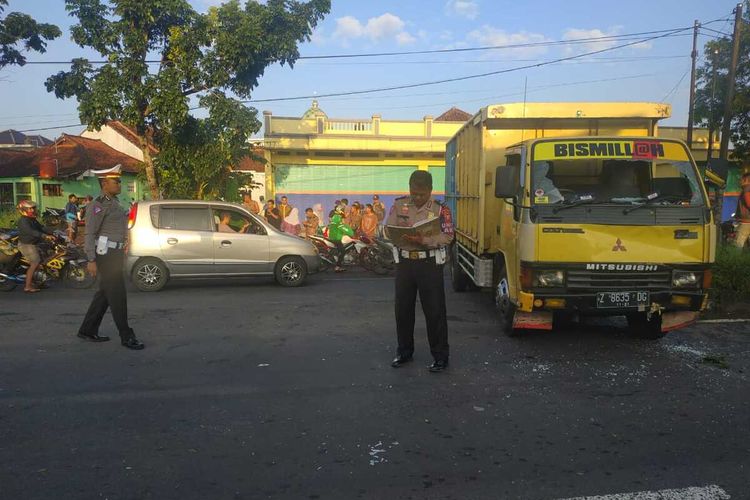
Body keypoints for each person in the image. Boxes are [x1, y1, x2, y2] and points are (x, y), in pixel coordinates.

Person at [386, 170, 454, 373]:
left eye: (421, 194)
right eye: (413, 193)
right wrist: (397, 235)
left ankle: (440, 356)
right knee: (403, 310)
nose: (417, 197)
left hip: (429, 264)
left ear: (430, 191)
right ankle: (404, 352)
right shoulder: (399, 205)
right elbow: (390, 228)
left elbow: (448, 236)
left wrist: (423, 240)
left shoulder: (441, 210)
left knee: (434, 311)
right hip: (405, 264)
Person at [78, 165, 144, 350]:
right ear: (104, 184)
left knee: (105, 294)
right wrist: (91, 259)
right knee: (117, 295)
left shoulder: (114, 203)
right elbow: (90, 233)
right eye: (116, 181)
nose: (119, 184)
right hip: (104, 254)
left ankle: (87, 329)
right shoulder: (97, 205)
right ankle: (126, 336)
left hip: (114, 253)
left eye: (119, 181)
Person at [16, 200, 55, 293]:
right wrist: (44, 236)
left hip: (34, 243)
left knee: (45, 258)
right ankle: (28, 286)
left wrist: (54, 232)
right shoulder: (23, 221)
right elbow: (31, 232)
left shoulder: (32, 219)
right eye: (31, 208)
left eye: (34, 208)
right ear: (24, 209)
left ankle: (39, 281)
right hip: (27, 245)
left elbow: (41, 228)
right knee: (35, 262)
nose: (33, 210)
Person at [735, 172, 750, 249]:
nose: (740, 181)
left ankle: (736, 260)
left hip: (746, 221)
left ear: (746, 180)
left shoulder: (747, 189)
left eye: (742, 179)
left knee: (739, 243)